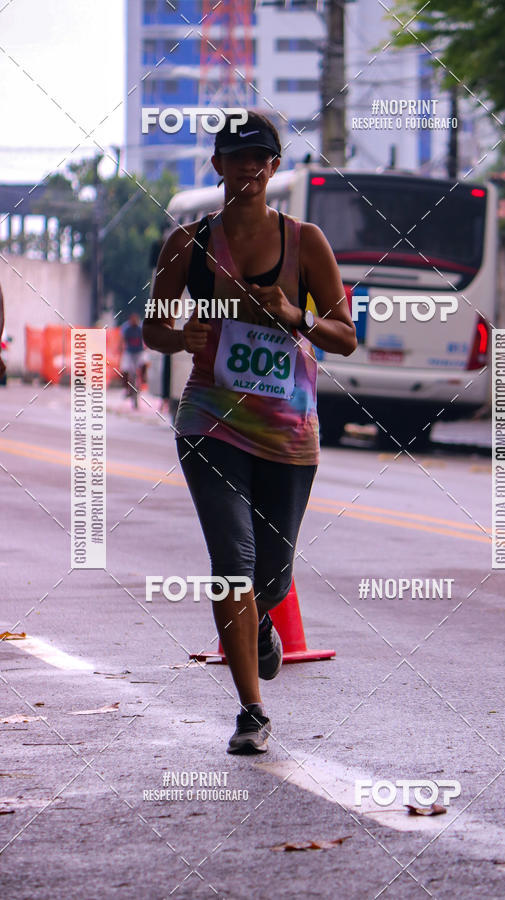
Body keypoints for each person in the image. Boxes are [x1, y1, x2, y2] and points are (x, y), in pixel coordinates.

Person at [143, 111, 357, 754]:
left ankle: (263, 617)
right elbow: (154, 327)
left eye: (259, 157)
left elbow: (346, 336)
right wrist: (183, 336)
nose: (247, 167)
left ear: (273, 167)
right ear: (217, 166)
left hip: (289, 431)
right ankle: (251, 712)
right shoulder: (187, 244)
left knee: (271, 571)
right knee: (231, 563)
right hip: (210, 422)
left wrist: (296, 314)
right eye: (234, 156)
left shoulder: (306, 242)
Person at [120, 312, 148, 404]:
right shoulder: (126, 329)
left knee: (145, 361)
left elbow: (145, 340)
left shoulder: (140, 329)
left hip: (139, 352)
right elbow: (122, 341)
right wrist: (121, 349)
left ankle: (143, 377)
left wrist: (146, 347)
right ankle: (126, 387)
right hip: (129, 352)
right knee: (124, 368)